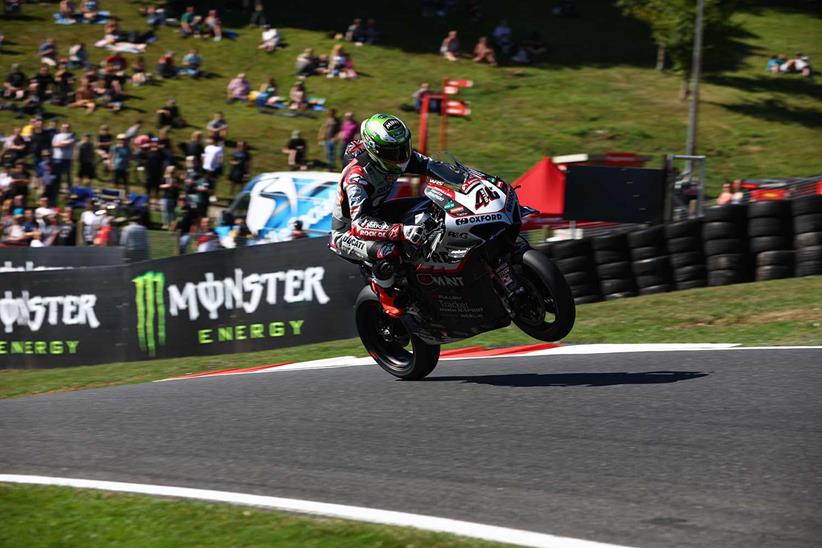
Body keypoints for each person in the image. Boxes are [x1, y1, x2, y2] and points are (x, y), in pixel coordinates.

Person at [329, 113, 446, 317]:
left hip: (378, 213)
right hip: (348, 233)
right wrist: (402, 231)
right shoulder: (357, 178)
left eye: (404, 147)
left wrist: (467, 178)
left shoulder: (395, 156)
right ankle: (386, 296)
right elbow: (360, 225)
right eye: (394, 151)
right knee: (388, 250)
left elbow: (433, 167)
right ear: (376, 152)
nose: (402, 156)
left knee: (432, 206)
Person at [52, 123, 76, 191]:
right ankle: (57, 187)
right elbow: (53, 144)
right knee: (57, 174)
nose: (65, 128)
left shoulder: (72, 135)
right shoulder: (57, 135)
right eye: (64, 127)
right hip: (57, 157)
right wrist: (62, 144)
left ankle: (70, 188)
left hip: (67, 158)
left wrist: (60, 144)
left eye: (67, 127)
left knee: (68, 174)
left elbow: (70, 142)